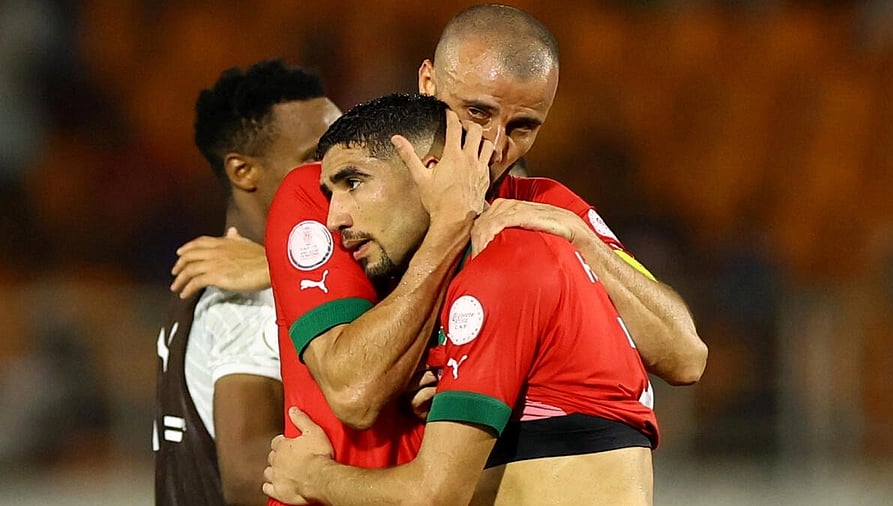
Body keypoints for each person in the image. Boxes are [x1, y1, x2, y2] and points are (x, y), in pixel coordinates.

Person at [171, 4, 706, 390]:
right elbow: (353, 388)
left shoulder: (541, 203)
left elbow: (686, 356)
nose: (495, 144)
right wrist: (279, 266)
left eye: (524, 125)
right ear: (428, 82)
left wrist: (579, 241)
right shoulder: (333, 188)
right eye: (476, 112)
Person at [265, 92, 659, 506]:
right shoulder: (513, 262)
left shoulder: (507, 266)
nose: (333, 218)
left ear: (430, 171)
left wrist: (312, 477)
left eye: (354, 182)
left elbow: (434, 494)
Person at [153, 59, 342, 506]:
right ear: (243, 171)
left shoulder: (264, 278)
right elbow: (250, 478)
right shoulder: (250, 300)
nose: (337, 169)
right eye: (315, 157)